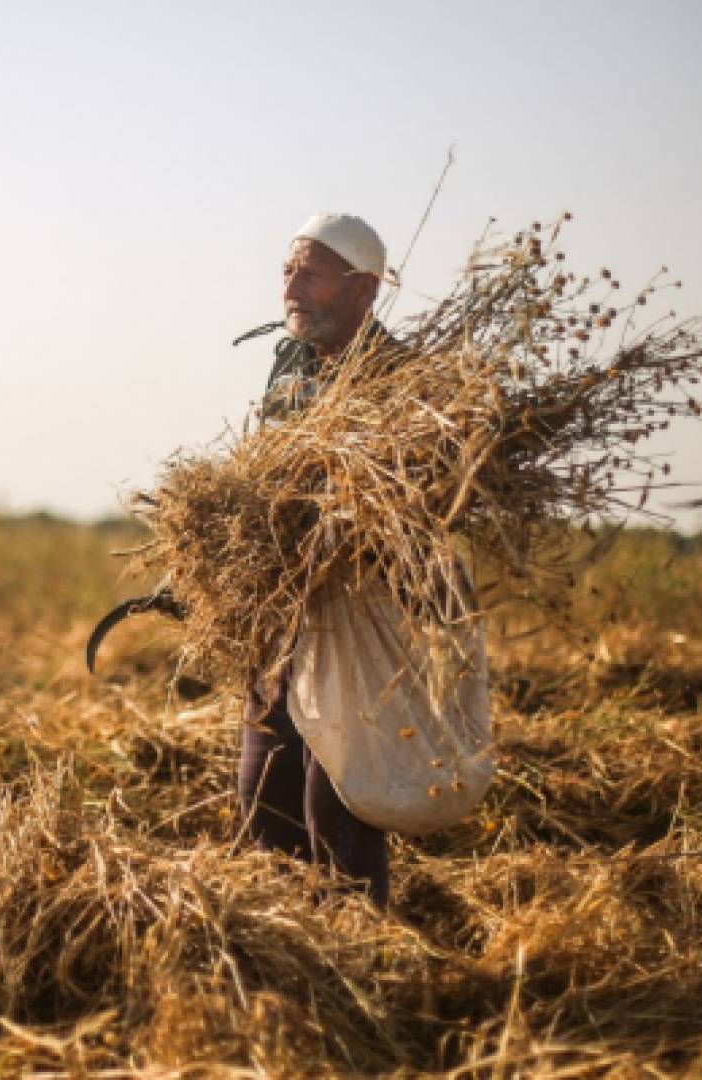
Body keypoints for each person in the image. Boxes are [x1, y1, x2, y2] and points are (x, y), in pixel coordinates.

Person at [236, 213, 398, 907]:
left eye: (310, 274)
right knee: (262, 784)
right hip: (277, 606)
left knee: (334, 790)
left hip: (351, 611)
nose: (291, 289)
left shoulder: (399, 382)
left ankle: (360, 942)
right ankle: (278, 937)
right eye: (287, 272)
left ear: (363, 289)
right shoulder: (289, 361)